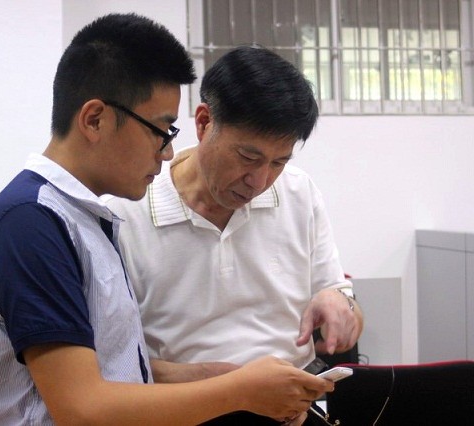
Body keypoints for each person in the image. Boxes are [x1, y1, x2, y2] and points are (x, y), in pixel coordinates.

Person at [0, 14, 333, 426]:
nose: (168, 151)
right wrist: (241, 392)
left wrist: (209, 377)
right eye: (161, 130)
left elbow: (115, 369)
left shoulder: (83, 218)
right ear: (95, 119)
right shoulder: (31, 224)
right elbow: (82, 409)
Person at [106, 45, 364, 424]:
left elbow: (345, 304)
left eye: (278, 162)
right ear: (203, 122)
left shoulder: (298, 192)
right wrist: (224, 386)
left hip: (289, 415)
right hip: (178, 413)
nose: (259, 181)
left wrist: (343, 306)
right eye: (248, 157)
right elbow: (106, 365)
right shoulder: (126, 211)